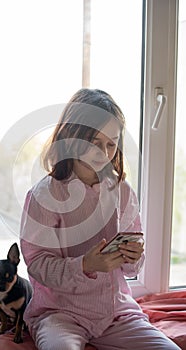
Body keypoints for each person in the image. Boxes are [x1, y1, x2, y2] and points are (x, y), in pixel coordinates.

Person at [20, 88, 180, 350]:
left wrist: (133, 254)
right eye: (94, 141)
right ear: (70, 137)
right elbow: (37, 264)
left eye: (111, 143)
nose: (103, 152)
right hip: (60, 314)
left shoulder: (122, 191)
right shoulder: (43, 195)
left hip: (116, 312)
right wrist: (85, 265)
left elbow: (131, 269)